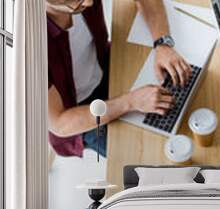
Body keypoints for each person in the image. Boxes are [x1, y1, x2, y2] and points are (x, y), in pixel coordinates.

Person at [47, 0, 192, 158]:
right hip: (81, 113)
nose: (89, 3)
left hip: (105, 62)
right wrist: (130, 102)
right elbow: (60, 123)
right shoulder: (26, 51)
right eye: (77, 2)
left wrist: (162, 43)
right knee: (148, 158)